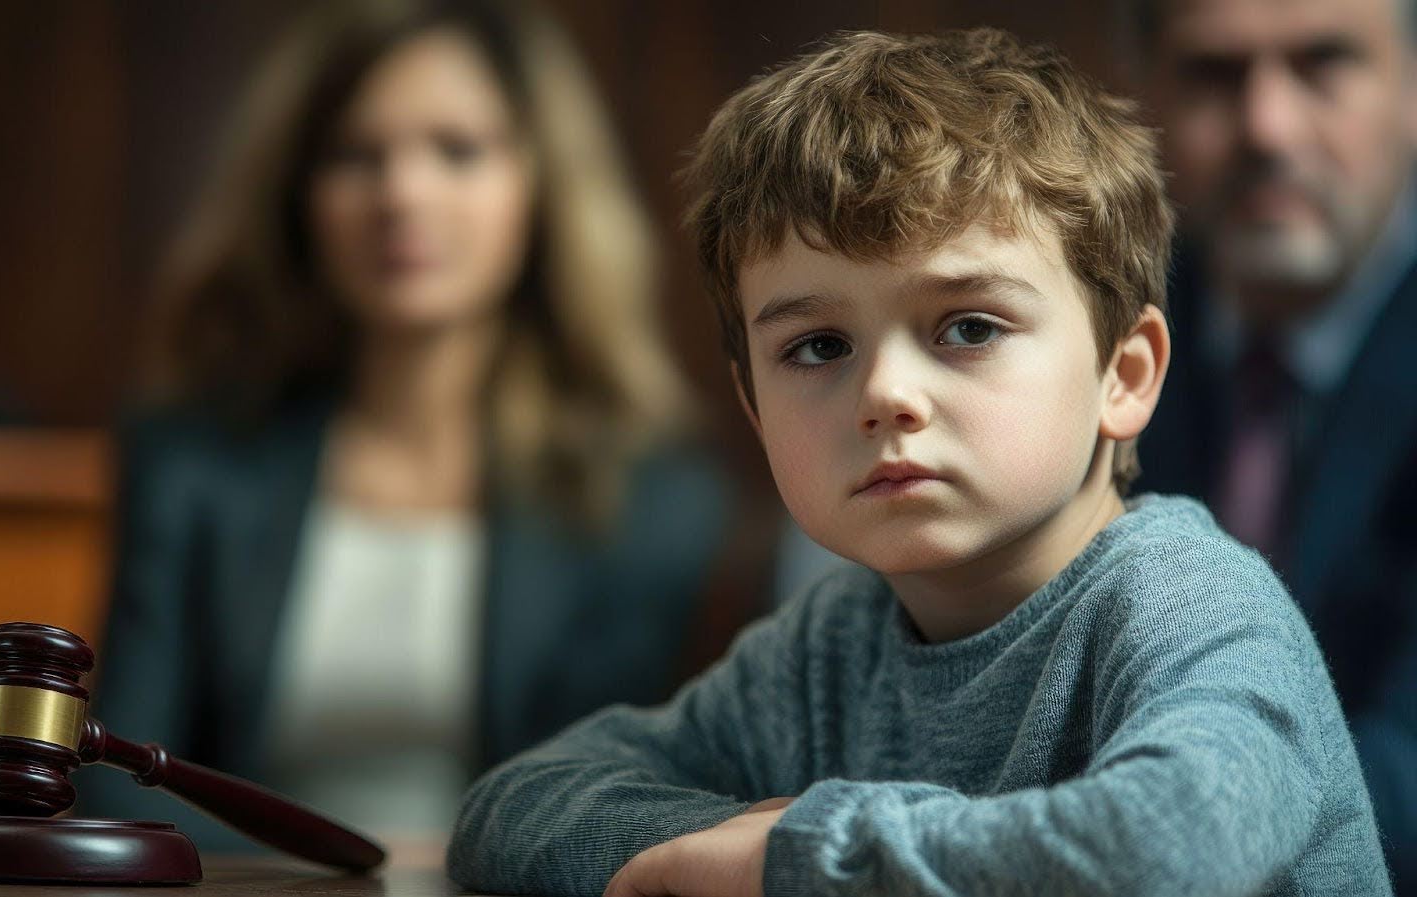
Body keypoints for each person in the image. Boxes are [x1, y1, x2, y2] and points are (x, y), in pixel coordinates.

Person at [446, 28, 1391, 896]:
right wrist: (743, 841)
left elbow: (1170, 849)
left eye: (967, 327)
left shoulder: (1191, 603)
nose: (884, 395)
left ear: (1124, 373)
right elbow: (516, 806)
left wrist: (800, 854)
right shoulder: (826, 649)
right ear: (752, 407)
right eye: (816, 346)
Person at [74, 0, 731, 848]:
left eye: (457, 150)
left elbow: (638, 802)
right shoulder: (192, 460)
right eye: (355, 154)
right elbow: (111, 779)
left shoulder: (653, 492)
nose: (401, 193)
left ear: (539, 185)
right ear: (299, 192)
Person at [1127, 0, 1417, 885]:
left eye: (1323, 64)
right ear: (1146, 96)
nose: (1267, 126)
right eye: (1217, 74)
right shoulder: (1081, 333)